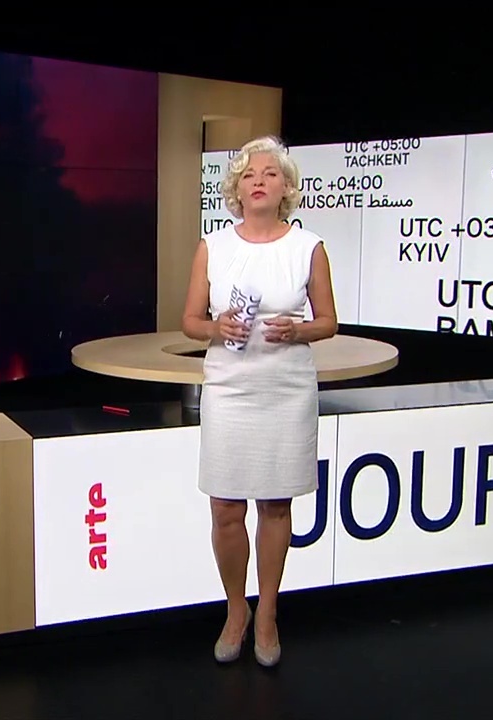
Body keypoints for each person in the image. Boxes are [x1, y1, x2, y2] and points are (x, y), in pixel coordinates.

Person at [180, 135, 339, 667]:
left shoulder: (308, 247)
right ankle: (236, 610)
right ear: (237, 188)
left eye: (269, 174)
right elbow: (190, 321)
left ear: (286, 187)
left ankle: (267, 611)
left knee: (275, 505)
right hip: (230, 388)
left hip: (285, 389)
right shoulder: (214, 246)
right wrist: (215, 326)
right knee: (226, 507)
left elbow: (328, 321)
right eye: (249, 174)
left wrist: (299, 331)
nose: (258, 182)